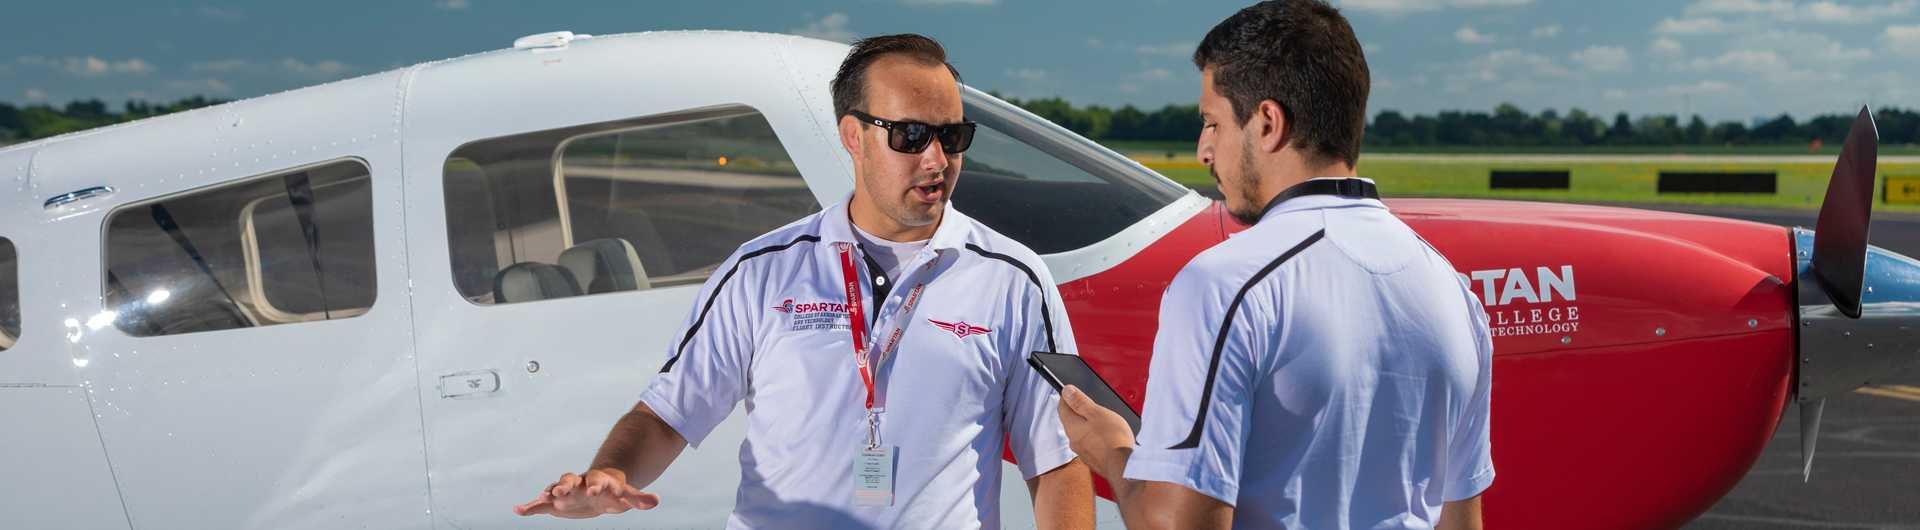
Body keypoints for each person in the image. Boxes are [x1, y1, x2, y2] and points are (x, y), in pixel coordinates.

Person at [512, 33, 1095, 529]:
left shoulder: (1013, 280)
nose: (937, 159)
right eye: (911, 136)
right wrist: (612, 472)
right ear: (852, 135)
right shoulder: (761, 271)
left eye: (953, 136)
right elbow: (664, 416)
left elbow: (1057, 462)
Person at [1055, 2, 1495, 529]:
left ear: (1267, 123)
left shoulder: (1223, 283)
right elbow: (1460, 521)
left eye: (1212, 123)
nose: (1204, 150)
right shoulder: (1452, 291)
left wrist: (1113, 455)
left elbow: (1180, 524)